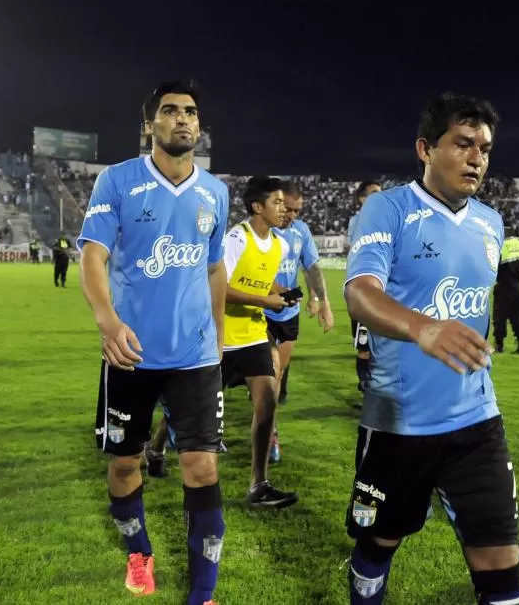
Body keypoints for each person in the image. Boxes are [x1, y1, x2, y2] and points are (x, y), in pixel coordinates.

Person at [343, 92, 519, 604]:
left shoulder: (491, 223)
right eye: (463, 144)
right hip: (400, 423)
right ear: (425, 148)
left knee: (501, 567)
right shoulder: (389, 208)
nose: (477, 158)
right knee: (380, 542)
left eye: (485, 148)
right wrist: (423, 328)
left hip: (476, 419)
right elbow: (360, 292)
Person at [80, 80, 230, 605]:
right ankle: (138, 555)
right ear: (150, 124)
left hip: (196, 356)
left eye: (190, 111)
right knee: (125, 464)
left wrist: (217, 333)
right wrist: (107, 321)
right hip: (131, 354)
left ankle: (202, 593)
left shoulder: (216, 192)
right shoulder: (117, 182)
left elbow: (214, 267)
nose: (182, 119)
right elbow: (93, 256)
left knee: (202, 466)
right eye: (169, 111)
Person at [219, 175, 301, 508]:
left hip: (253, 335)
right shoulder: (235, 239)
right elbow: (220, 289)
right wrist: (265, 302)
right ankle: (156, 446)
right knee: (192, 410)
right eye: (278, 203)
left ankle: (258, 484)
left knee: (267, 401)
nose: (285, 209)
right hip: (221, 338)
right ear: (258, 206)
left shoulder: (280, 244)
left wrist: (279, 292)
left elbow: (258, 282)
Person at [265, 180, 334, 409]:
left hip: (288, 313)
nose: (292, 215)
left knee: (279, 370)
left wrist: (322, 301)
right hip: (260, 310)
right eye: (287, 208)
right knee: (268, 371)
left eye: (297, 210)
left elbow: (312, 268)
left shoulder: (301, 231)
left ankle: (268, 420)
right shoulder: (258, 229)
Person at [346, 180, 382, 394]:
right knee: (365, 347)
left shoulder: (389, 219)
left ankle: (377, 387)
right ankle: (366, 387)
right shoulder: (358, 221)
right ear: (362, 199)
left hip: (387, 291)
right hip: (366, 290)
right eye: (375, 193)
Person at [492, 225, 519, 354]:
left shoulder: (499, 246)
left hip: (504, 287)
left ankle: (499, 345)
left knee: (500, 316)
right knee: (518, 317)